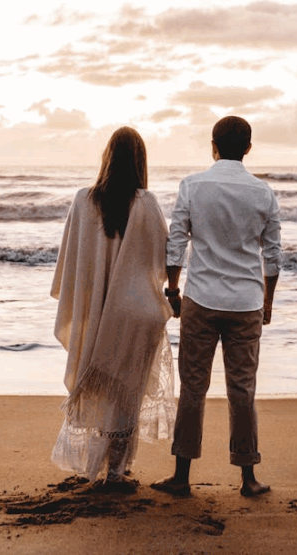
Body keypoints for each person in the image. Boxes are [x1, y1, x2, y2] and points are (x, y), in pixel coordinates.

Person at [151, 116, 281, 498]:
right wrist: (267, 303)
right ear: (248, 148)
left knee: (194, 385)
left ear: (213, 146)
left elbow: (176, 243)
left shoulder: (193, 186)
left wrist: (174, 288)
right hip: (245, 303)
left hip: (201, 299)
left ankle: (181, 476)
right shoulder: (263, 193)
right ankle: (248, 478)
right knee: (242, 389)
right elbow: (272, 256)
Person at [50, 127, 176, 492]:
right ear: (140, 161)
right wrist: (170, 291)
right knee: (126, 390)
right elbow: (162, 257)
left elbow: (71, 262)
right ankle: (116, 471)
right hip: (133, 313)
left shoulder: (81, 200)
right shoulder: (146, 202)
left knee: (100, 385)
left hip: (94, 309)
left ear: (107, 156)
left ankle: (97, 462)